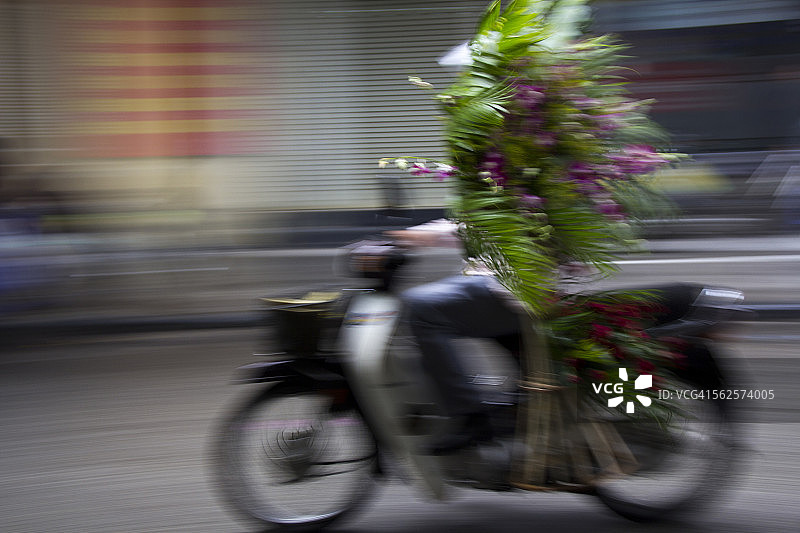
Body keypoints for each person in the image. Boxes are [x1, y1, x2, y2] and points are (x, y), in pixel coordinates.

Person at [389, 219, 524, 454]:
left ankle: (470, 415)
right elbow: (469, 226)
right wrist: (415, 235)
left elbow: (476, 226)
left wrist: (414, 236)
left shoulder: (519, 192)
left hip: (516, 292)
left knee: (422, 307)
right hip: (517, 289)